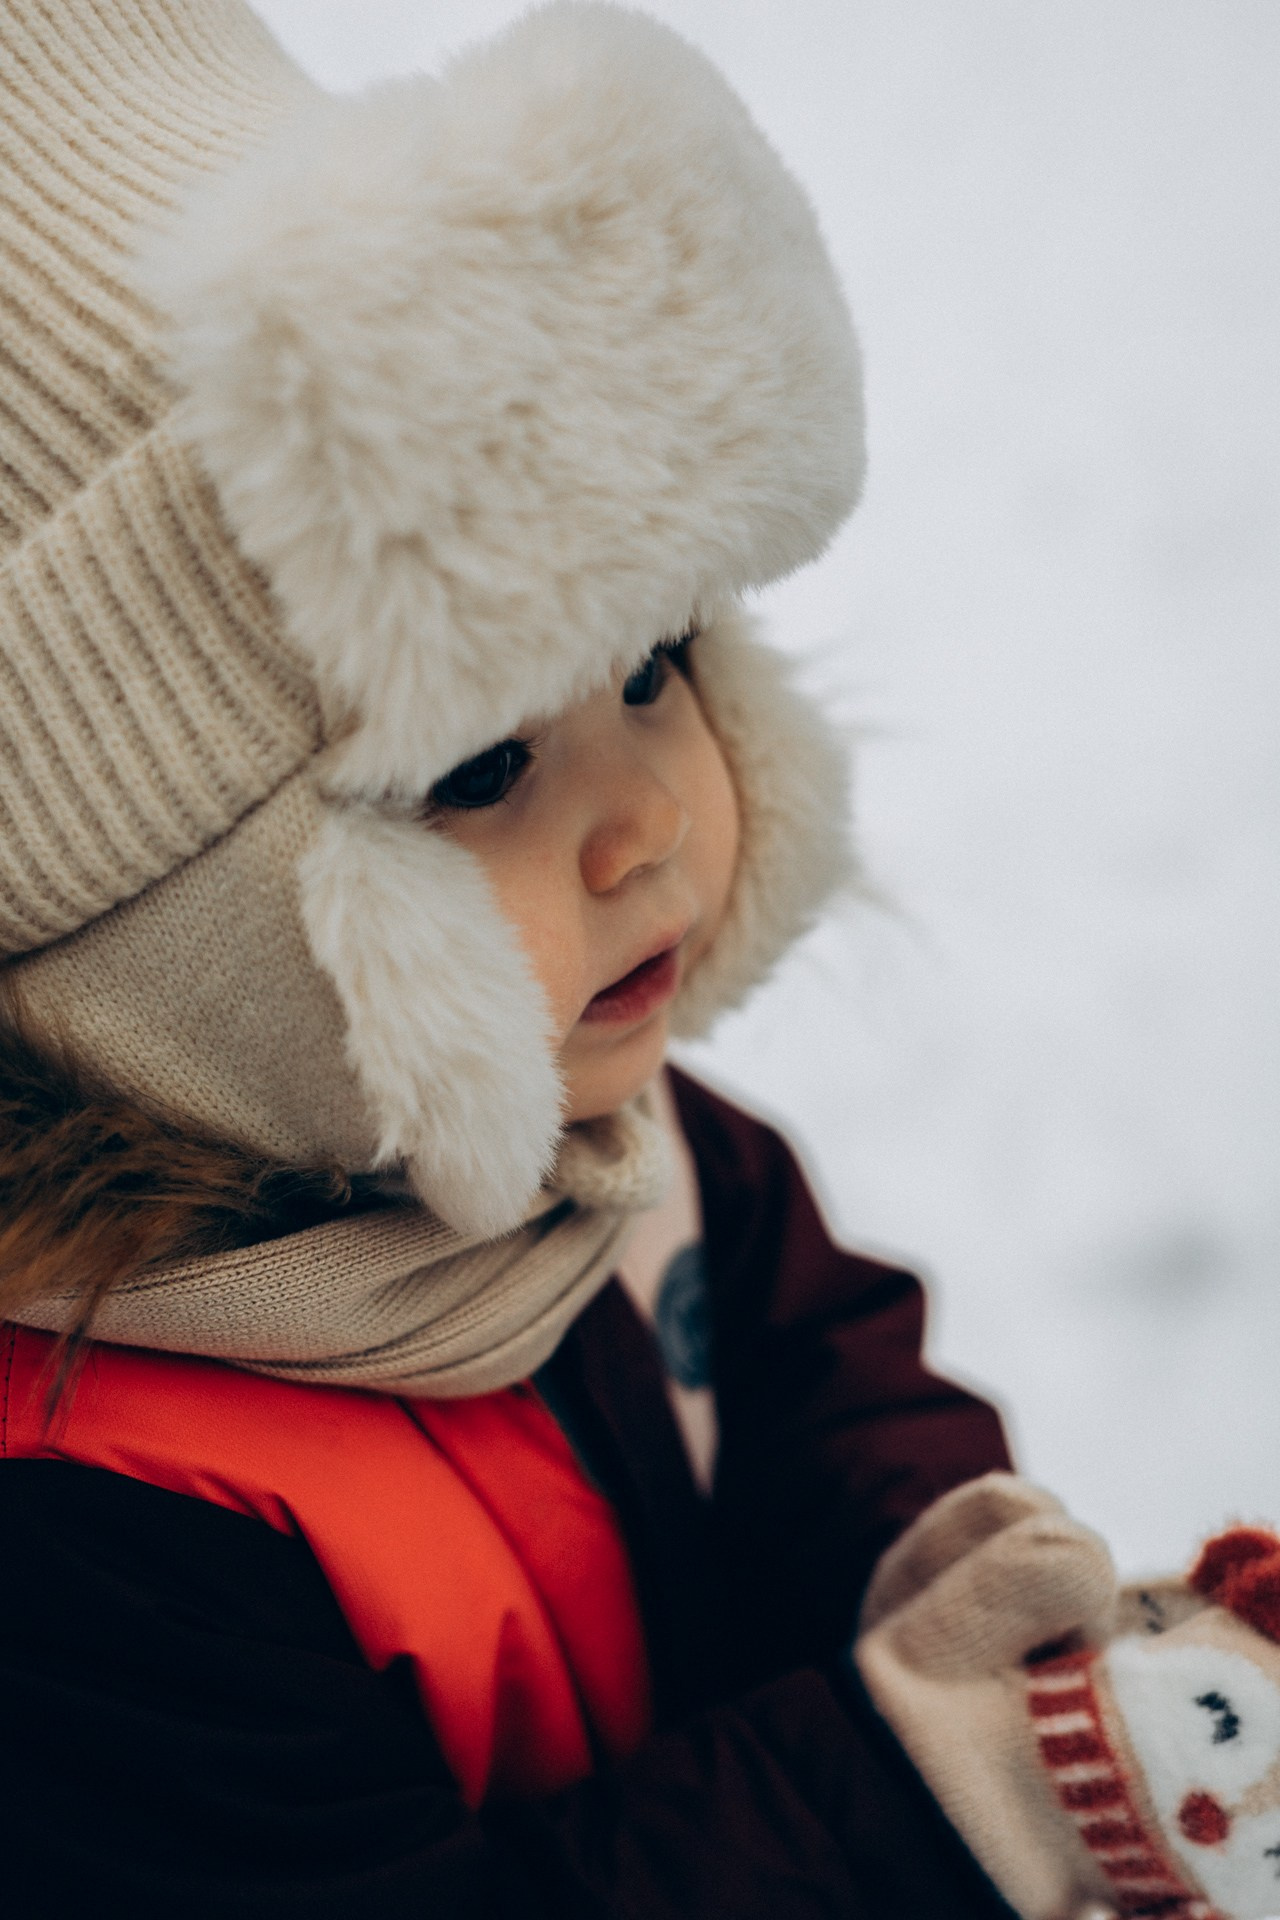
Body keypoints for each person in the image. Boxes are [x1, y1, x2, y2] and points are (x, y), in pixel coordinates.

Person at [0, 2, 1020, 1913]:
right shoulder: (85, 1523)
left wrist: (951, 1588)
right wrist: (919, 1799)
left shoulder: (579, 1103)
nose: (644, 822)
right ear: (153, 915)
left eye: (650, 666)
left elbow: (804, 1355)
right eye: (478, 766)